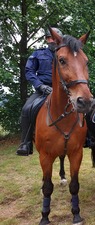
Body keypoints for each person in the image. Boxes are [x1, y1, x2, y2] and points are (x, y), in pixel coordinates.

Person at [16, 27, 63, 156]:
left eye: (56, 39)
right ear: (47, 39)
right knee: (26, 109)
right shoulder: (38, 54)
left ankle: (86, 137)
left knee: (80, 104)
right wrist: (40, 86)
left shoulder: (65, 53)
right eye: (51, 38)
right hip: (42, 89)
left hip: (62, 90)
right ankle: (25, 143)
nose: (53, 41)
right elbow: (29, 72)